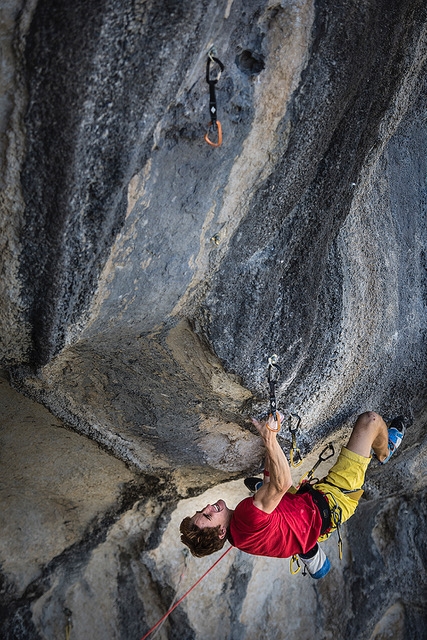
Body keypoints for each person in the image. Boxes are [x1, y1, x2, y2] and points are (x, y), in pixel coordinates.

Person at [180, 411, 406, 578]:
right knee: (371, 422)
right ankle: (386, 451)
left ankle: (307, 549)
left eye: (202, 510)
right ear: (221, 532)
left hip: (308, 512)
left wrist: (269, 448)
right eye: (208, 515)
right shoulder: (245, 517)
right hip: (337, 498)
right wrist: (270, 439)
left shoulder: (238, 537)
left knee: (269, 495)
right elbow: (282, 483)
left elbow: (271, 482)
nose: (208, 507)